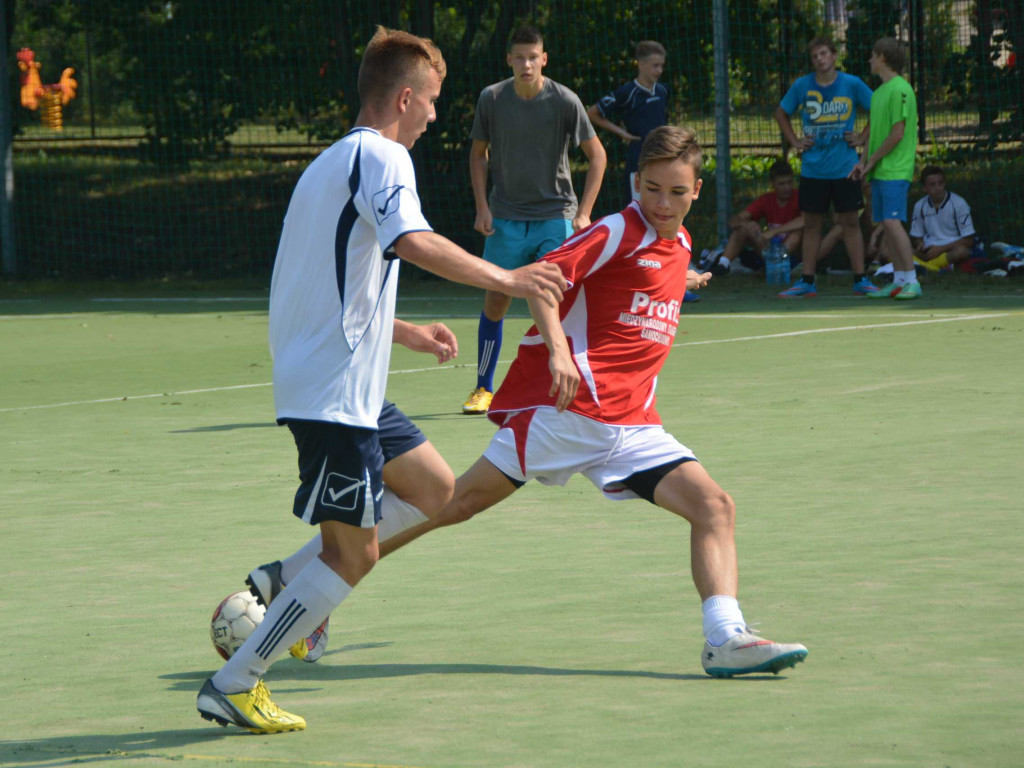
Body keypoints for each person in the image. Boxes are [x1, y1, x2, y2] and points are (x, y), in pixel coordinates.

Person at [268, 127, 807, 686]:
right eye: (651, 189)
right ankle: (311, 581)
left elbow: (650, 278)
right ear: (635, 184)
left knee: (714, 507)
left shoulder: (682, 244)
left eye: (676, 191)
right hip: (567, 415)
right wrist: (558, 352)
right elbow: (543, 283)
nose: (662, 203)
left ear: (697, 189)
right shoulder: (617, 230)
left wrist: (684, 276)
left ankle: (725, 638)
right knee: (449, 504)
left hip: (633, 427)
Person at [195, 26, 567, 735]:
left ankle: (284, 581)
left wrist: (407, 333)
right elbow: (412, 242)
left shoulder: (331, 165)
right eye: (430, 101)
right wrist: (509, 278)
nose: (434, 115)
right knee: (354, 554)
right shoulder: (383, 155)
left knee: (434, 490)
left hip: (349, 390)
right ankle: (236, 680)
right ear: (404, 97)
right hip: (333, 396)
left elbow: (322, 289)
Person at [462, 25, 606, 415]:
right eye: (519, 57)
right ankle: (482, 388)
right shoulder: (491, 99)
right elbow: (478, 154)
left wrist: (584, 213)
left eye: (533, 57)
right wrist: (482, 207)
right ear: (509, 60)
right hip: (505, 218)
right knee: (496, 300)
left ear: (544, 59)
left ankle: (554, 384)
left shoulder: (565, 101)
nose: (526, 64)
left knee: (550, 300)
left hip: (553, 217)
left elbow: (598, 156)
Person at [774, 36, 879, 297]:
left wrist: (863, 137)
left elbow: (878, 108)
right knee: (812, 224)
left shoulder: (851, 83)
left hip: (845, 167)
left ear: (833, 56)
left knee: (851, 223)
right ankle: (807, 281)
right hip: (813, 169)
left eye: (823, 54)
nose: (820, 59)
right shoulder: (802, 86)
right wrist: (796, 141)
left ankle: (860, 279)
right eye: (814, 56)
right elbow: (780, 113)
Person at [850, 37, 922, 300]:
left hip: (895, 170)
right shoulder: (879, 93)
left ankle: (912, 280)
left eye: (872, 55)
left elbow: (897, 133)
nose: (869, 60)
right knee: (886, 223)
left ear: (882, 57)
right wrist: (863, 161)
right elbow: (875, 134)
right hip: (879, 170)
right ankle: (899, 280)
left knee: (892, 222)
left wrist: (872, 161)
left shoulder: (901, 89)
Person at [587, 40, 669, 201]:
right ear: (640, 64)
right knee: (637, 209)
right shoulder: (627, 92)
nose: (659, 70)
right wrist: (623, 133)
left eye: (661, 65)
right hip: (638, 158)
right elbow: (592, 113)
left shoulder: (662, 90)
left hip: (663, 156)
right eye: (655, 65)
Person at [707, 158, 804, 274]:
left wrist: (774, 231)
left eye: (789, 182)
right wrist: (748, 223)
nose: (787, 187)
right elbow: (734, 221)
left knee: (798, 231)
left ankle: (779, 264)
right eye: (782, 184)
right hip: (768, 250)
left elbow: (806, 220)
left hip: (792, 255)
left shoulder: (799, 197)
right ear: (772, 184)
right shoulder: (767, 199)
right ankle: (723, 264)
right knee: (743, 228)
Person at [908, 165, 976, 272]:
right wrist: (920, 245)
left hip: (950, 247)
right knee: (900, 250)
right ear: (924, 188)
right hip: (929, 250)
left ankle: (926, 267)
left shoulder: (959, 203)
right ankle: (937, 267)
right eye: (932, 184)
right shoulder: (919, 205)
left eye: (941, 183)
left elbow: (969, 240)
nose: (938, 187)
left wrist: (940, 249)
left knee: (962, 251)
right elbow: (917, 236)